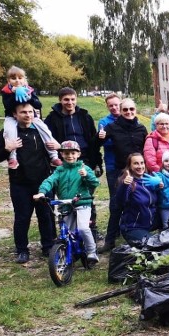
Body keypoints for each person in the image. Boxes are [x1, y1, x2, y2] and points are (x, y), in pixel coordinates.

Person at [0, 102, 57, 263]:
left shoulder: (41, 132)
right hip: (20, 183)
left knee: (45, 215)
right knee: (22, 217)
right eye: (23, 112)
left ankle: (48, 246)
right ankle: (22, 250)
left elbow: (56, 153)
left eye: (31, 112)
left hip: (43, 182)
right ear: (15, 115)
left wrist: (59, 146)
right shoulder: (7, 134)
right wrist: (8, 148)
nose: (28, 115)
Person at [44, 87, 101, 239]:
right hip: (65, 161)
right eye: (66, 100)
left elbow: (93, 141)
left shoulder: (84, 116)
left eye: (72, 99)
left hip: (85, 160)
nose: (70, 102)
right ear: (60, 101)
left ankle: (91, 228)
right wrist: (57, 150)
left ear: (76, 99)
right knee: (66, 195)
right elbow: (47, 139)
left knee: (86, 196)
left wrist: (97, 163)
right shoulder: (52, 119)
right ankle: (67, 232)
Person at [34, 141, 100, 264]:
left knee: (83, 228)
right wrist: (42, 192)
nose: (70, 156)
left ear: (78, 154)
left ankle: (92, 251)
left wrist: (86, 176)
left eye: (73, 153)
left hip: (82, 203)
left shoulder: (84, 168)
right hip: (66, 205)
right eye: (66, 153)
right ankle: (72, 251)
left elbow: (95, 183)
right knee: (68, 231)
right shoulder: (59, 171)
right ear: (62, 155)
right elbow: (49, 181)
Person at [100, 98, 148, 252]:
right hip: (119, 171)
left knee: (139, 201)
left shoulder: (141, 128)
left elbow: (145, 150)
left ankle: (135, 230)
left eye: (131, 109)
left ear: (135, 110)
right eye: (125, 110)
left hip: (139, 171)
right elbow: (97, 144)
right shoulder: (112, 127)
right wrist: (99, 137)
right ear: (120, 111)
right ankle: (110, 240)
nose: (129, 112)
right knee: (116, 205)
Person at [1, 66, 60, 169]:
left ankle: (54, 156)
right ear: (8, 80)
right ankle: (13, 158)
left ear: (24, 79)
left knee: (45, 129)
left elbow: (38, 105)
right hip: (12, 117)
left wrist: (30, 97)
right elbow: (7, 105)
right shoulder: (6, 91)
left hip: (32, 117)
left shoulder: (30, 90)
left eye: (20, 78)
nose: (17, 80)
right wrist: (14, 94)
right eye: (13, 78)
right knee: (9, 131)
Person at [117, 153, 162, 244]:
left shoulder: (149, 180)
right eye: (136, 163)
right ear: (130, 166)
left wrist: (161, 186)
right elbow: (120, 201)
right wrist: (124, 186)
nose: (140, 166)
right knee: (155, 246)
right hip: (133, 227)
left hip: (150, 224)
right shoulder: (129, 182)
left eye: (142, 163)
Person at [97, 93, 120, 199]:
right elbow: (104, 142)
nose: (114, 108)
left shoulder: (129, 117)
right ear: (107, 106)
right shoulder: (104, 122)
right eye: (111, 106)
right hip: (112, 164)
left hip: (129, 163)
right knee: (115, 196)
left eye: (116, 104)